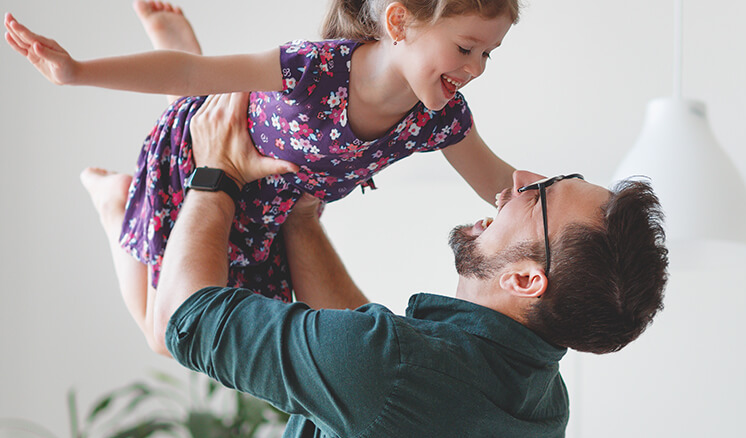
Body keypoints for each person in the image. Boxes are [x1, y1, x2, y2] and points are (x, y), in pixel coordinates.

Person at [138, 88, 668, 438]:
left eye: (541, 196)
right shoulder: (541, 407)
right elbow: (374, 379)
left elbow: (178, 320)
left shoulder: (393, 367)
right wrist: (300, 220)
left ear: (526, 280)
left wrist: (216, 174)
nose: (519, 180)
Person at [3, 0, 518, 354]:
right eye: (466, 48)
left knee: (215, 333)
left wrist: (585, 204)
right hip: (196, 162)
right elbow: (187, 73)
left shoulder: (441, 118)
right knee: (166, 337)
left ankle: (182, 69)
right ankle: (116, 202)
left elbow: (504, 183)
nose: (477, 68)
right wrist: (76, 72)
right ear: (400, 23)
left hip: (262, 218)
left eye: (489, 54)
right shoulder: (317, 68)